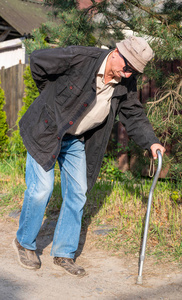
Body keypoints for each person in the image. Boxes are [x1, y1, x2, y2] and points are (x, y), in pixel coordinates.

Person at [13, 36, 165, 277]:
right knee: (41, 188)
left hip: (75, 139)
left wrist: (152, 142)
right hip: (47, 130)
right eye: (126, 68)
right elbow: (39, 60)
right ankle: (25, 243)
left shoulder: (125, 82)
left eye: (133, 72)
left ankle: (63, 252)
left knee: (78, 192)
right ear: (117, 52)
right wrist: (50, 97)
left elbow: (134, 114)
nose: (126, 75)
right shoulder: (80, 57)